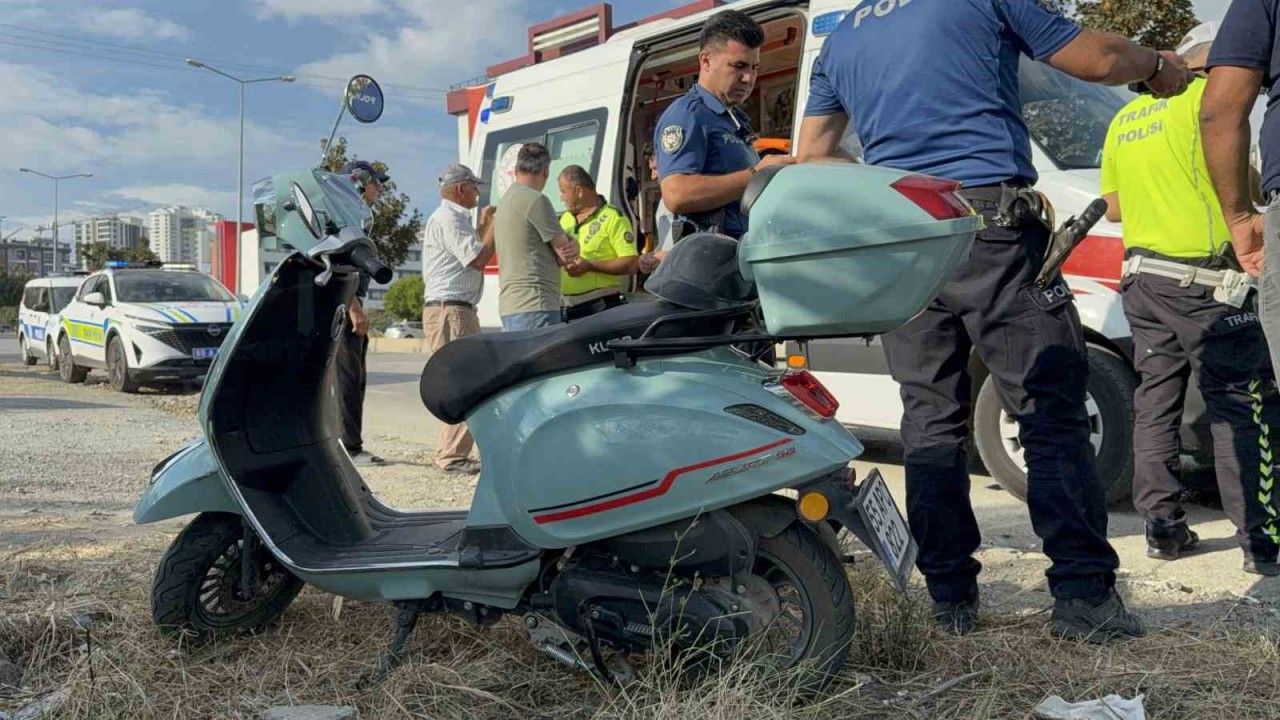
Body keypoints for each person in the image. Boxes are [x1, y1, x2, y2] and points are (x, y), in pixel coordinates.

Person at [797, 0, 1193, 640]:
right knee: (1047, 409)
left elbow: (812, 156)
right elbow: (1098, 59)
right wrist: (1157, 65)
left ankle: (950, 600)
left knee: (929, 419)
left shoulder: (843, 39)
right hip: (992, 229)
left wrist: (890, 181)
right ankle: (1085, 598)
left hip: (904, 242)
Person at [1104, 23, 1279, 576]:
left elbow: (1114, 207)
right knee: (1243, 404)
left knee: (1156, 402)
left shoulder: (1125, 118)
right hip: (1205, 282)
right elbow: (1241, 181)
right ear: (1214, 64)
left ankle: (1163, 529)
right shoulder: (1210, 101)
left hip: (1142, 280)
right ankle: (1263, 540)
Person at [651, 10, 794, 249]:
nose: (748, 78)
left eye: (754, 67)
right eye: (738, 66)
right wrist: (755, 174)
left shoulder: (733, 118)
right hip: (711, 260)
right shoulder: (688, 115)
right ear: (706, 61)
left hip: (740, 252)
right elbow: (676, 194)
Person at [420, 163, 495, 475]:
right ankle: (452, 455)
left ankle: (452, 452)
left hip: (453, 309)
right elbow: (477, 258)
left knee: (462, 379)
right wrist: (495, 227)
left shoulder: (454, 219)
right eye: (474, 186)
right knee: (466, 381)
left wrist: (484, 226)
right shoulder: (449, 218)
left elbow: (470, 250)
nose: (478, 192)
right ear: (461, 189)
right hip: (451, 310)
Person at [493, 143, 583, 331]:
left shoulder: (503, 203)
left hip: (511, 306)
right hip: (536, 304)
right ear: (545, 171)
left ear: (517, 169)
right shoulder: (536, 200)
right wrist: (575, 243)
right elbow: (566, 255)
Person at [334, 159, 389, 467]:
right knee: (349, 380)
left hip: (346, 304)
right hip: (344, 306)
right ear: (357, 183)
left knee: (350, 378)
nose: (379, 187)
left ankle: (345, 444)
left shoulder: (354, 216)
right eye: (375, 182)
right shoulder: (346, 218)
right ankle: (350, 448)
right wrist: (354, 308)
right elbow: (341, 266)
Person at [556, 165, 639, 321]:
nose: (561, 197)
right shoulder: (564, 219)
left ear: (579, 191)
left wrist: (590, 266)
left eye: (563, 191)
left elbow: (632, 264)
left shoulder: (613, 217)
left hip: (601, 308)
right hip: (567, 308)